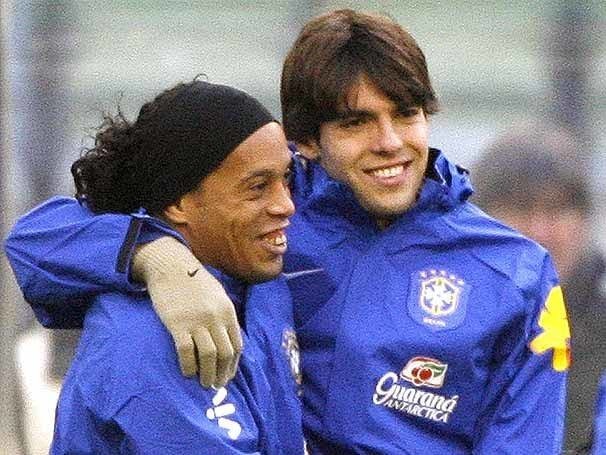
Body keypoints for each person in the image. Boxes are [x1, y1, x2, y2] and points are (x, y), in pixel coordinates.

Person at [5, 9, 570, 454]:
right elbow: (35, 240)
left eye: (407, 114)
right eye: (356, 122)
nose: (391, 143)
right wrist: (156, 257)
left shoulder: (517, 272)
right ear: (304, 140)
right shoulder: (257, 211)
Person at [5, 80, 304, 454]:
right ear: (178, 203)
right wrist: (156, 255)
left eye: (287, 178)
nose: (287, 205)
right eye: (257, 187)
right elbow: (30, 237)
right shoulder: (151, 337)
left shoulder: (255, 277)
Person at [472, 124, 606, 453]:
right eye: (520, 209)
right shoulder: (445, 313)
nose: (539, 231)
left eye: (556, 210)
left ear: (584, 220)